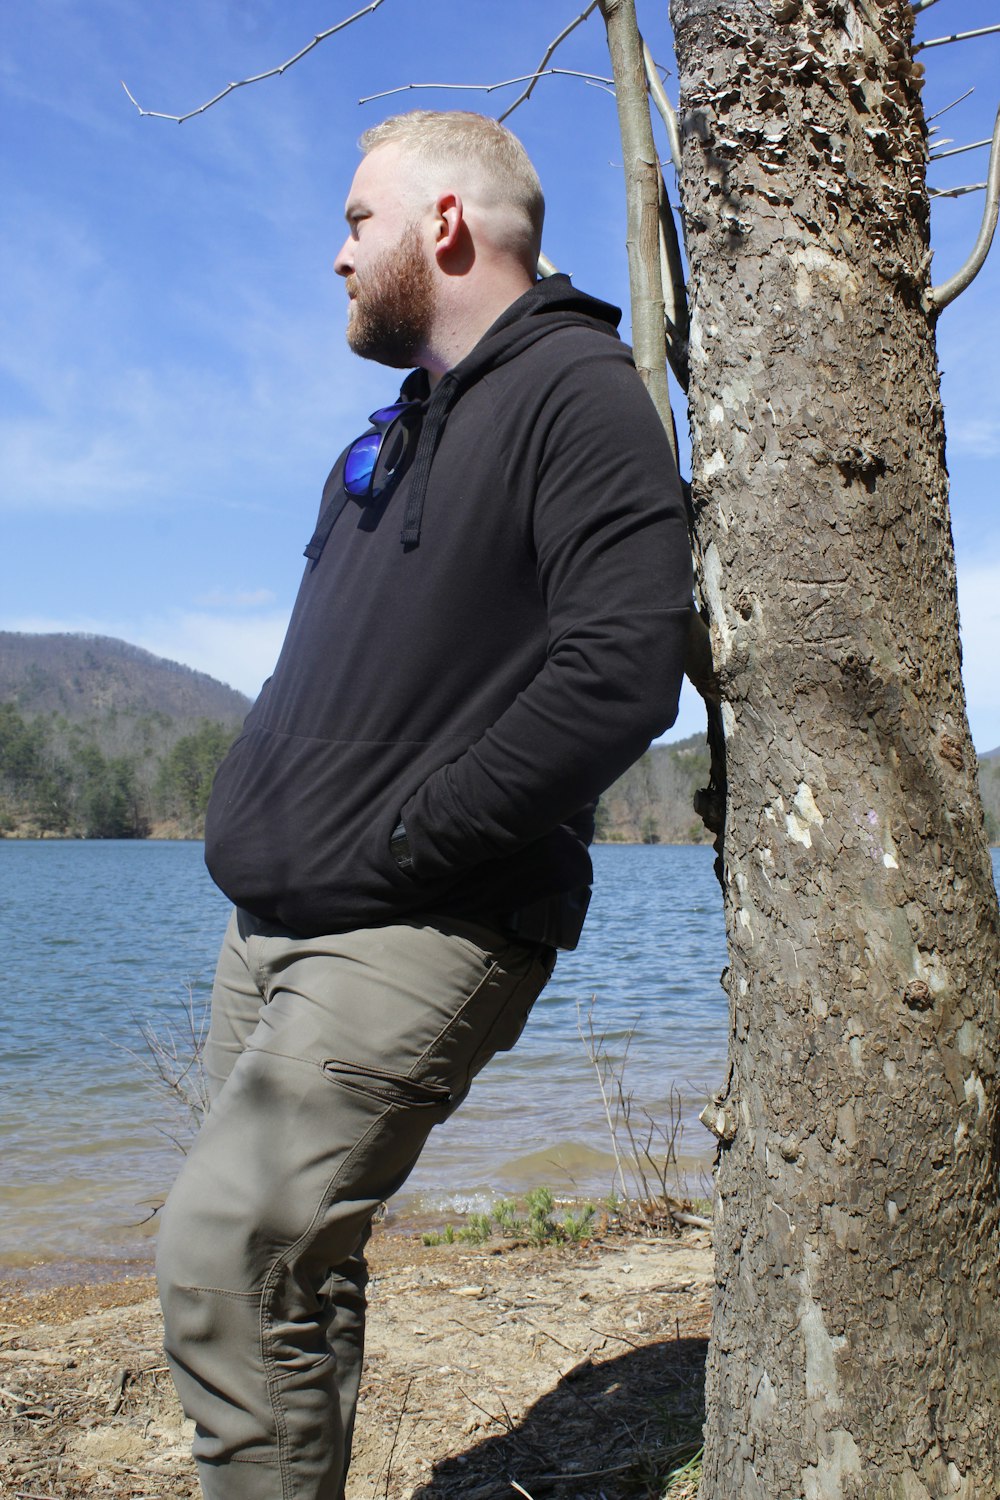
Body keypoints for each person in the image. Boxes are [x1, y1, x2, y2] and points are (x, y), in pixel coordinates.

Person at [157, 109, 693, 1500]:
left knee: (227, 1252)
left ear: (444, 224)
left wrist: (408, 837)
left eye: (355, 221)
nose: (337, 256)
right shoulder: (390, 435)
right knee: (287, 1274)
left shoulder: (580, 393)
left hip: (419, 921)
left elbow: (620, 674)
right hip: (267, 925)